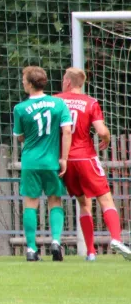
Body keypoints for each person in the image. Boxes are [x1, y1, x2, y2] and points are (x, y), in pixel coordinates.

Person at [55, 67, 131, 261]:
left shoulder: (56, 100)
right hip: (86, 157)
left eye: (64, 79)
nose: (63, 82)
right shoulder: (90, 102)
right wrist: (106, 137)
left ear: (69, 82)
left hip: (65, 159)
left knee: (83, 203)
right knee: (105, 199)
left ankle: (90, 252)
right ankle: (116, 239)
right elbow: (100, 130)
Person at [13, 66, 72, 262]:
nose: (22, 82)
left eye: (24, 80)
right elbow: (67, 132)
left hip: (30, 161)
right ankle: (55, 241)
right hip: (51, 161)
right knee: (55, 200)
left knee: (31, 202)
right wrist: (64, 158)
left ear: (30, 84)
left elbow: (20, 136)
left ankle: (31, 249)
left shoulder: (20, 108)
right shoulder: (58, 103)